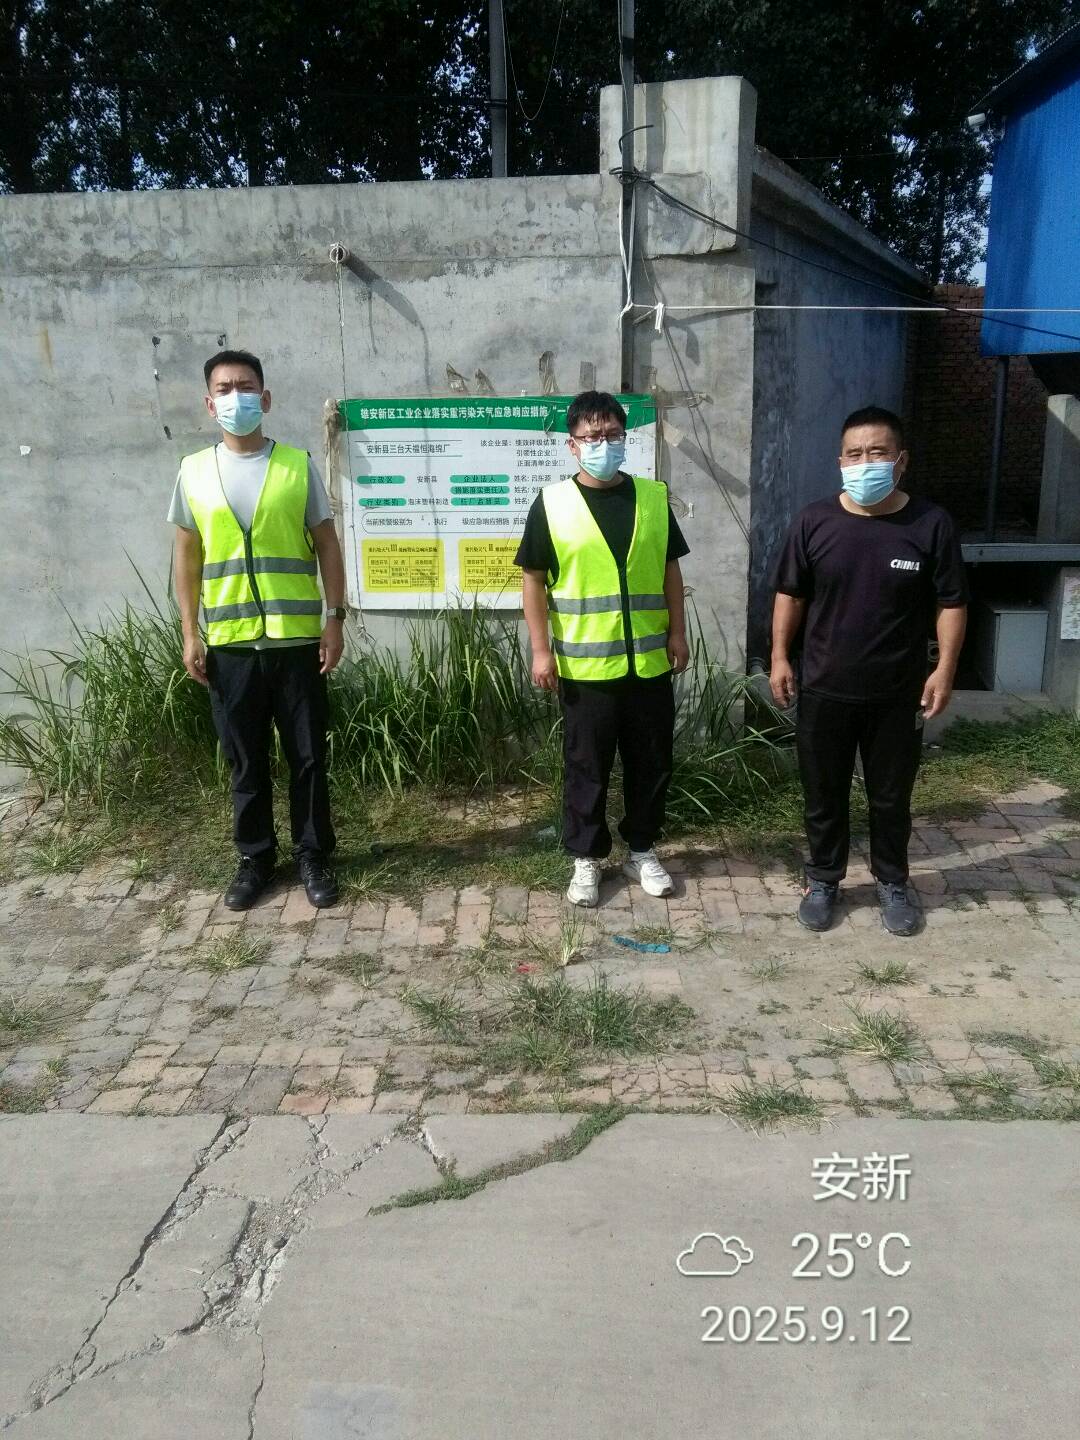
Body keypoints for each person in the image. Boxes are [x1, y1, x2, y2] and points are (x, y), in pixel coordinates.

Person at [769, 405, 968, 936]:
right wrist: (780, 656)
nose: (865, 463)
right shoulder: (813, 522)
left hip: (897, 692)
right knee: (824, 793)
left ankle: (892, 881)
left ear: (901, 461)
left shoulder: (930, 524)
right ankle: (823, 879)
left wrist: (944, 670)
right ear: (840, 462)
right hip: (824, 687)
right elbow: (790, 594)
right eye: (854, 454)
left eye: (877, 452)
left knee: (891, 797)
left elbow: (951, 602)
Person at [168, 349, 346, 910]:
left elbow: (327, 545)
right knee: (244, 759)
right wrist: (190, 633)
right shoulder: (193, 472)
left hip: (297, 643)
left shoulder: (296, 465)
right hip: (231, 646)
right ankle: (255, 858)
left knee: (308, 756)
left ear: (264, 398)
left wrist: (335, 618)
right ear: (209, 403)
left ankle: (313, 855)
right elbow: (186, 558)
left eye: (245, 387)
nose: (235, 397)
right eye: (224, 389)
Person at [515, 390, 690, 908]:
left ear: (625, 437)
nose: (603, 444)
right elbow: (533, 579)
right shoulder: (552, 503)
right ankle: (586, 857)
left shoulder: (652, 497)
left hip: (649, 663)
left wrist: (677, 633)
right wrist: (540, 651)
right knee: (587, 766)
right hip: (586, 668)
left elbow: (670, 570)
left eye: (612, 434)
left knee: (651, 762)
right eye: (592, 436)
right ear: (573, 445)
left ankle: (642, 849)